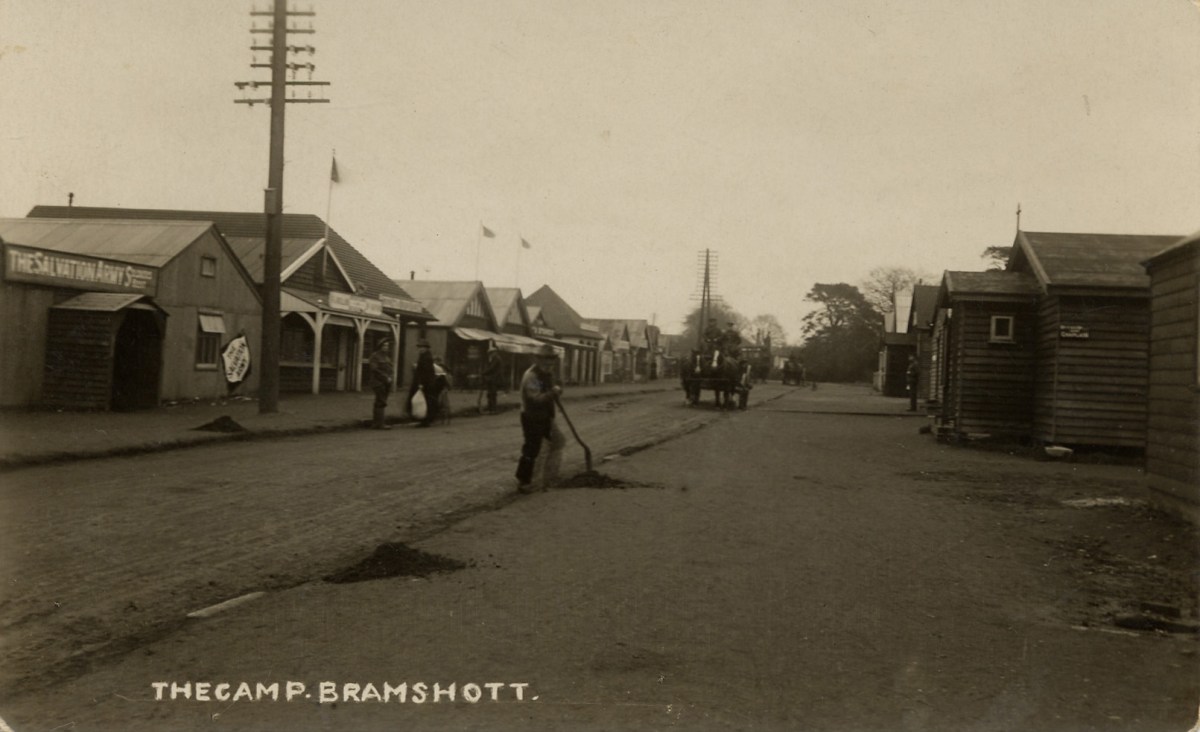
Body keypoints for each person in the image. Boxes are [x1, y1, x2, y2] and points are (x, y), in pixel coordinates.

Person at [515, 344, 565, 494]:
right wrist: (554, 392)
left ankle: (548, 478)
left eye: (551, 360)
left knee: (558, 442)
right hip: (531, 416)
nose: (549, 363)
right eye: (546, 359)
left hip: (546, 416)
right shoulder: (532, 376)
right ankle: (524, 482)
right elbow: (535, 399)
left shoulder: (547, 373)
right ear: (538, 360)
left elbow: (555, 388)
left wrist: (558, 388)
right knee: (532, 449)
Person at [407, 339, 441, 428]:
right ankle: (424, 419)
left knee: (424, 401)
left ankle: (424, 420)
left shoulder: (426, 357)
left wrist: (421, 383)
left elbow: (425, 372)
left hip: (425, 383)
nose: (420, 349)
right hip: (425, 382)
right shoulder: (424, 356)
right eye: (419, 347)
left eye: (422, 347)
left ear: (426, 348)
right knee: (424, 401)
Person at [367, 338, 394, 429]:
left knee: (380, 401)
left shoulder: (386, 357)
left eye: (387, 346)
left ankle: (376, 423)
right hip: (378, 382)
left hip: (386, 382)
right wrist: (386, 377)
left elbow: (390, 369)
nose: (386, 347)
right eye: (384, 346)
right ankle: (380, 423)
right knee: (381, 401)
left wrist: (390, 377)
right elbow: (375, 369)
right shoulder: (375, 356)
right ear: (380, 346)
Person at [481, 345, 504, 413]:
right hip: (493, 378)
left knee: (492, 394)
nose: (490, 354)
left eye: (491, 353)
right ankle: (491, 407)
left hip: (494, 379)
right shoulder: (495, 359)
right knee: (491, 394)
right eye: (490, 353)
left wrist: (484, 372)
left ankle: (493, 408)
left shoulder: (496, 359)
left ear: (495, 352)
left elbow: (492, 368)